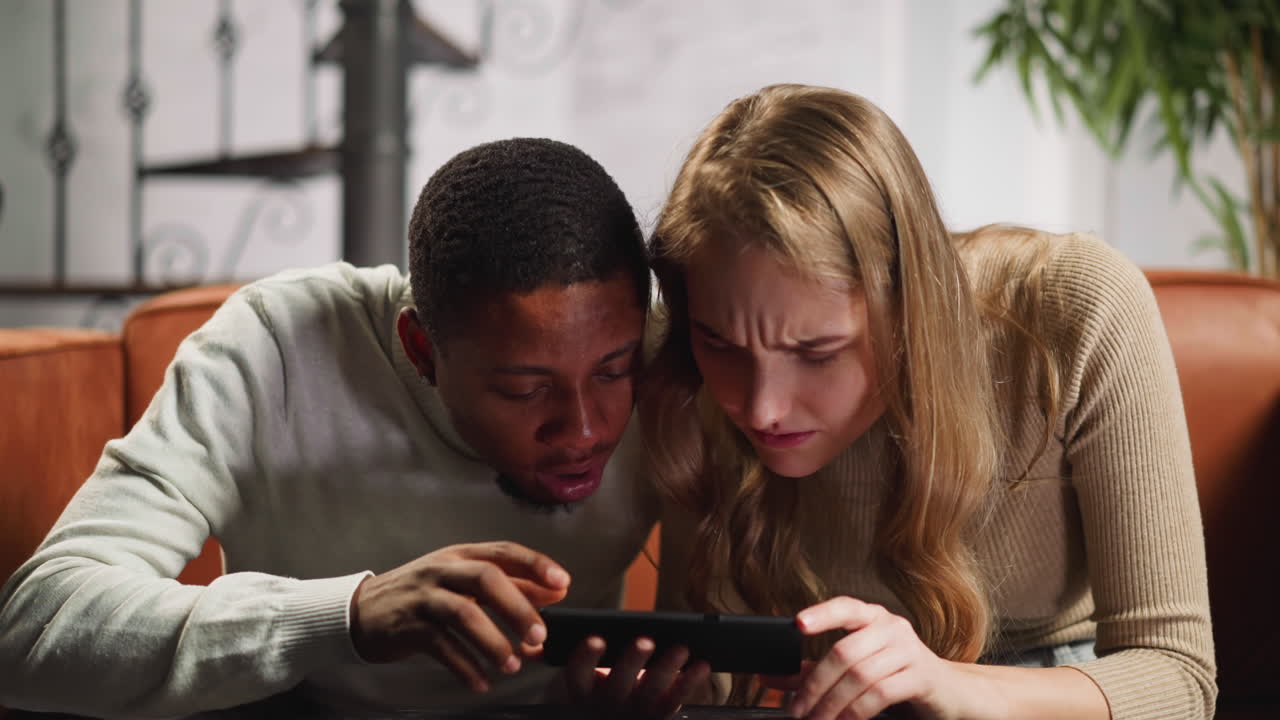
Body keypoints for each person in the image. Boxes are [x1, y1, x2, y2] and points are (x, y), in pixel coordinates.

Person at [0, 138, 667, 716]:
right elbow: (32, 628)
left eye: (614, 370)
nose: (585, 431)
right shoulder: (275, 348)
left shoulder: (677, 361)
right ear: (420, 349)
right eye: (525, 389)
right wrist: (347, 615)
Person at [637, 84, 1217, 720]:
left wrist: (956, 687)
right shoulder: (679, 364)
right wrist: (651, 695)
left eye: (818, 352)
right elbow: (711, 675)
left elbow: (1179, 679)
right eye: (720, 346)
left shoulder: (1075, 308)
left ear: (909, 303)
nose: (761, 409)